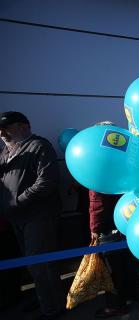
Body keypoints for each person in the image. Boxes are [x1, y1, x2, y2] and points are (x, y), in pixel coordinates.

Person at [0, 111, 65, 319]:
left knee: (41, 263)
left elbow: (47, 181)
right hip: (17, 217)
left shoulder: (39, 146)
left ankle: (53, 308)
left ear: (24, 126)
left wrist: (18, 201)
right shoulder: (5, 152)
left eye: (7, 128)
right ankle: (43, 299)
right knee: (31, 263)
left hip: (38, 216)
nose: (2, 133)